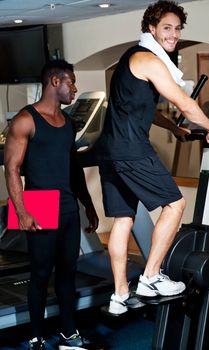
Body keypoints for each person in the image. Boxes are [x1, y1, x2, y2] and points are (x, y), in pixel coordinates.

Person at [95, 0, 209, 316]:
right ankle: (151, 277)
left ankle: (120, 294)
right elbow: (185, 103)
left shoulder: (130, 59)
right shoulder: (148, 60)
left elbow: (145, 109)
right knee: (176, 204)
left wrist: (175, 130)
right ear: (151, 28)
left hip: (110, 152)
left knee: (122, 220)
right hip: (131, 150)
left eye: (178, 28)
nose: (174, 34)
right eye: (167, 27)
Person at [4, 59, 100, 350]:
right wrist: (21, 212)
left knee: (67, 273)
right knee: (41, 274)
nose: (75, 87)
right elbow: (11, 168)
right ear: (55, 82)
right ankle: (36, 338)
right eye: (71, 81)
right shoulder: (25, 119)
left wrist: (88, 204)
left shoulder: (68, 123)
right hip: (38, 204)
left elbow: (73, 167)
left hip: (68, 205)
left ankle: (69, 336)